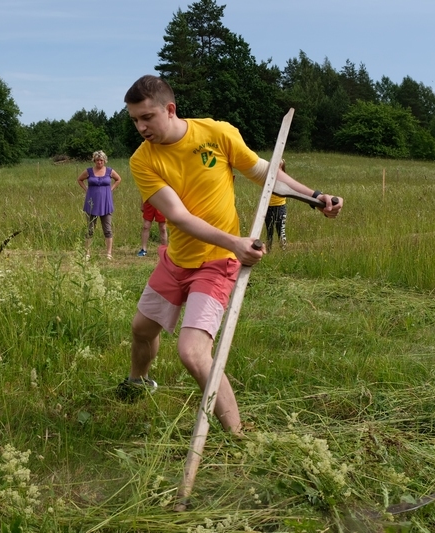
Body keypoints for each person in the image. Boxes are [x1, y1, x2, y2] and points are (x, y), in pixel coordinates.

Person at [117, 75, 343, 434]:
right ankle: (137, 383)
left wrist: (317, 198)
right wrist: (234, 240)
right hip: (177, 260)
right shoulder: (142, 161)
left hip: (217, 263)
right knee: (141, 329)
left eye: (147, 117)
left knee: (192, 353)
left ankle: (238, 435)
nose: (141, 127)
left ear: (170, 109)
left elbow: (264, 174)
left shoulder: (216, 133)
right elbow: (177, 216)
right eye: (135, 120)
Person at [76, 150, 121, 260]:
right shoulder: (89, 171)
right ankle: (87, 253)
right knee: (90, 229)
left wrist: (111, 189)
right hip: (91, 202)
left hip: (106, 202)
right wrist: (86, 189)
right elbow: (80, 179)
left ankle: (109, 253)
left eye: (101, 160)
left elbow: (118, 179)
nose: (99, 162)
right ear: (94, 161)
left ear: (104, 160)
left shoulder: (109, 171)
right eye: (97, 160)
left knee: (107, 229)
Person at [265, 159, 288, 251]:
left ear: (282, 168)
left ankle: (283, 250)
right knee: (269, 231)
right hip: (268, 207)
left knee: (281, 231)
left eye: (279, 166)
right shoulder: (267, 177)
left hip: (280, 207)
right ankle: (268, 250)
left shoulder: (285, 178)